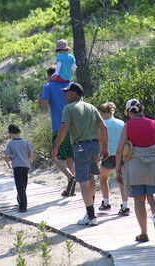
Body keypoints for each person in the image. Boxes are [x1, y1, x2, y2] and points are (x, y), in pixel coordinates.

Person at [52, 82, 109, 226]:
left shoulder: (68, 108)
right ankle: (90, 212)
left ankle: (91, 216)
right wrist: (105, 148)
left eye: (67, 92)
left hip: (81, 147)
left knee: (83, 181)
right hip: (94, 145)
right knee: (90, 178)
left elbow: (64, 127)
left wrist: (56, 147)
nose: (64, 95)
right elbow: (104, 127)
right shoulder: (91, 107)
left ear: (75, 94)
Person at [115, 99, 155, 242]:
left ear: (129, 112)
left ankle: (144, 233)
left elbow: (119, 149)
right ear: (141, 110)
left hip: (135, 167)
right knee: (154, 201)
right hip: (154, 167)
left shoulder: (128, 125)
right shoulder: (153, 123)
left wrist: (118, 170)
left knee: (139, 201)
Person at [38, 66, 76, 197]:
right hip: (74, 127)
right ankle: (71, 188)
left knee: (56, 156)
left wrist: (39, 98)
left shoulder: (49, 85)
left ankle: (70, 177)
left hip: (58, 127)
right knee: (69, 156)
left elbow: (43, 104)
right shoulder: (71, 84)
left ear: (50, 75)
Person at [98, 102, 130, 215]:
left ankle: (106, 202)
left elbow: (101, 141)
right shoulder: (121, 123)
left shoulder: (102, 124)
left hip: (108, 153)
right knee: (122, 180)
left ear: (103, 113)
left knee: (103, 178)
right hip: (120, 154)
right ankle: (125, 205)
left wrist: (99, 155)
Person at [5, 124, 35, 212]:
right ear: (19, 132)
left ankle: (22, 206)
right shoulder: (25, 142)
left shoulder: (10, 144)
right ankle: (20, 200)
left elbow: (7, 156)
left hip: (17, 165)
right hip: (26, 165)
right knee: (24, 184)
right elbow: (32, 154)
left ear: (10, 133)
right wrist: (27, 159)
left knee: (19, 186)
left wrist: (9, 163)